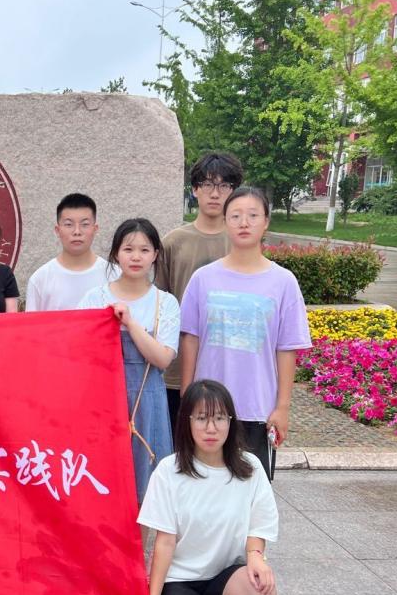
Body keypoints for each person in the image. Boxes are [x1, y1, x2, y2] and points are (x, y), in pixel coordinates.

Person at [138, 380, 278, 595]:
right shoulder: (169, 472)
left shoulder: (249, 468)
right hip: (180, 582)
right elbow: (164, 544)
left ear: (231, 422)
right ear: (186, 422)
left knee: (262, 587)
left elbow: (258, 524)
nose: (211, 428)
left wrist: (256, 556)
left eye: (219, 418)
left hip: (225, 577)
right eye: (201, 418)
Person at [179, 186, 311, 480]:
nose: (244, 223)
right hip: (208, 409)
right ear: (225, 221)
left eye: (253, 215)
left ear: (266, 222)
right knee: (203, 489)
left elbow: (286, 348)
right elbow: (190, 339)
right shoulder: (203, 278)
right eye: (236, 215)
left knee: (251, 493)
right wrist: (188, 397)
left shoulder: (283, 282)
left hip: (257, 410)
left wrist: (282, 407)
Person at [78, 218, 180, 504]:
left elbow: (162, 358)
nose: (136, 257)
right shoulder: (94, 298)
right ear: (115, 253)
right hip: (102, 398)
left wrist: (130, 323)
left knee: (148, 483)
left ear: (156, 254)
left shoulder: (165, 302)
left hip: (148, 399)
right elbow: (79, 353)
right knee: (101, 479)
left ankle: (143, 536)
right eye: (128, 249)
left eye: (144, 250)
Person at [156, 152, 243, 430]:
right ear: (195, 189)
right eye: (207, 184)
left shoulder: (242, 242)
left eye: (224, 185)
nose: (215, 193)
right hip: (178, 369)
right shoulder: (173, 242)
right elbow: (160, 303)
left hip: (228, 365)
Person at [25, 193, 117, 311]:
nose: (77, 232)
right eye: (69, 224)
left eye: (85, 224)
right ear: (57, 230)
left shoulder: (114, 275)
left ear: (95, 229)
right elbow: (32, 322)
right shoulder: (40, 279)